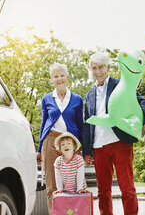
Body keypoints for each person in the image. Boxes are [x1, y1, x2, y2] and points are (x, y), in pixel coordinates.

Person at [82, 52, 145, 215]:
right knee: (102, 191)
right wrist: (87, 151)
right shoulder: (88, 95)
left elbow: (143, 101)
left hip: (120, 142)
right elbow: (87, 125)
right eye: (94, 68)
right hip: (99, 147)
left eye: (101, 67)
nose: (98, 71)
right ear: (91, 70)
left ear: (108, 67)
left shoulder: (119, 85)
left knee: (127, 188)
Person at [36, 62, 83, 215]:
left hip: (71, 143)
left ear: (67, 77)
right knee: (52, 186)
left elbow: (80, 125)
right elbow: (44, 124)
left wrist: (84, 149)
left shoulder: (77, 99)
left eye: (62, 75)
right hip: (51, 142)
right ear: (51, 79)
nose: (59, 79)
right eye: (56, 76)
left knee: (73, 185)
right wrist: (39, 149)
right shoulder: (46, 99)